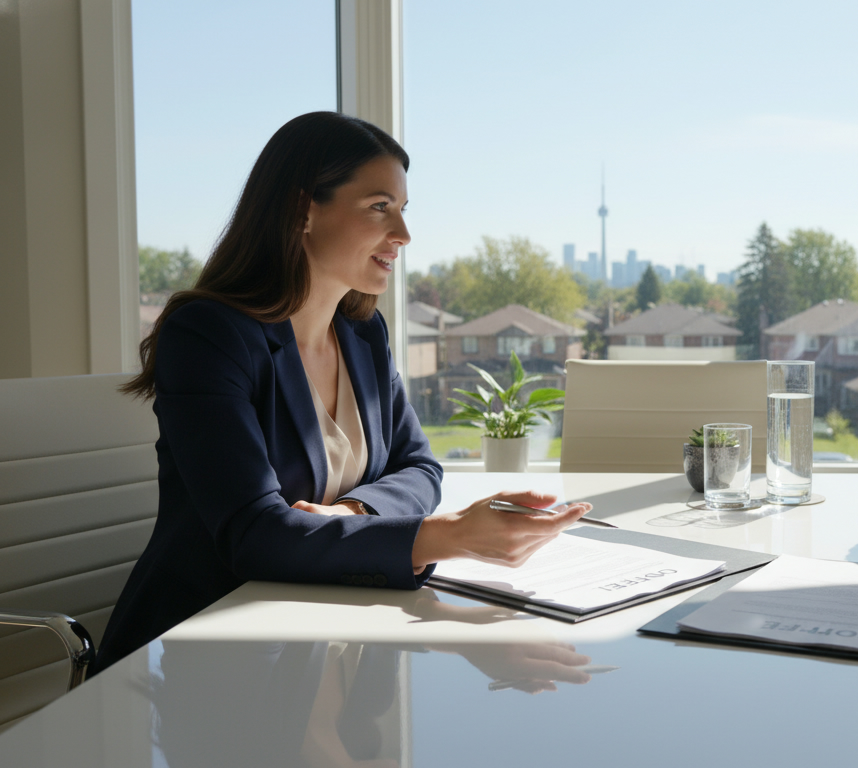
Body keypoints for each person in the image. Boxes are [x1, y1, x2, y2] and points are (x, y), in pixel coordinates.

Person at [95, 112, 589, 674]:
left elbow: (419, 466)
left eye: (403, 209)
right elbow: (253, 537)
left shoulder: (362, 333)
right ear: (302, 209)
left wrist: (355, 509)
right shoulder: (209, 336)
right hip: (209, 655)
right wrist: (445, 537)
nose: (402, 234)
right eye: (380, 207)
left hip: (331, 636)